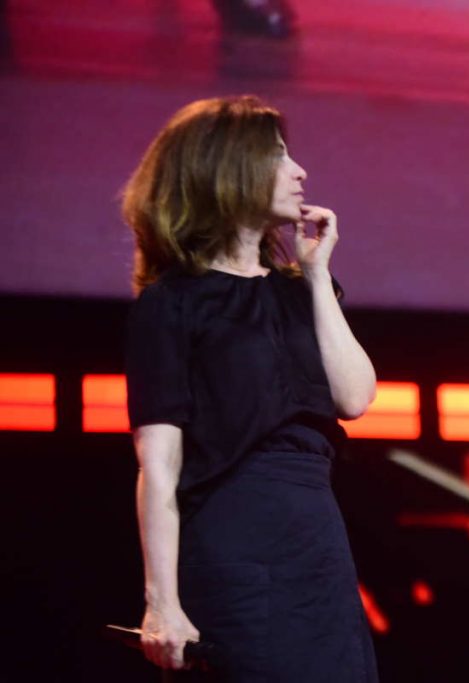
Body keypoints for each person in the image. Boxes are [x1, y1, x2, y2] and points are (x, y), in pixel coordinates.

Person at [123, 95, 379, 681]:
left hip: (317, 534)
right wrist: (162, 602)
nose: (299, 171)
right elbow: (159, 465)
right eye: (277, 156)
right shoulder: (172, 303)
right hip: (236, 538)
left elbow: (355, 397)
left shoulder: (300, 289)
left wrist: (316, 277)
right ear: (228, 169)